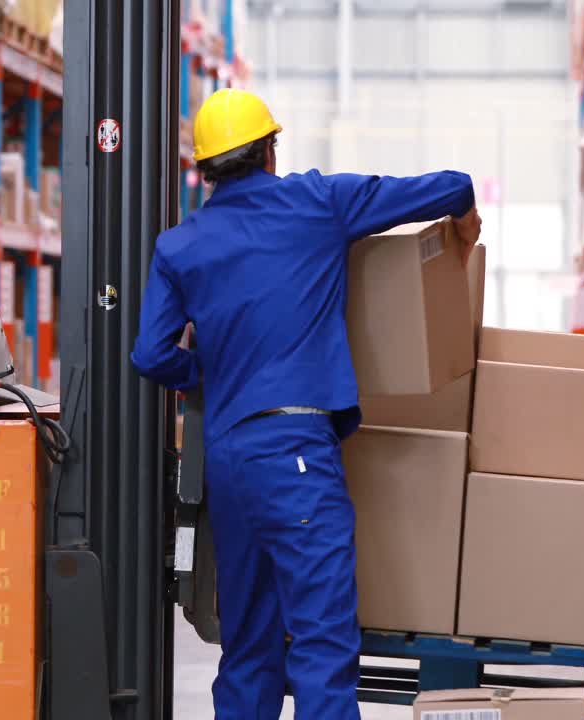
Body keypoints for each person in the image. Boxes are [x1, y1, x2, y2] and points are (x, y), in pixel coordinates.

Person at [130, 88, 481, 720]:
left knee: (248, 642)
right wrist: (465, 222)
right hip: (295, 454)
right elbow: (451, 186)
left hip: (229, 459)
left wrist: (204, 372)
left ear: (204, 171)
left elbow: (150, 356)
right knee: (321, 640)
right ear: (270, 150)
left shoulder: (180, 248)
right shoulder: (317, 202)